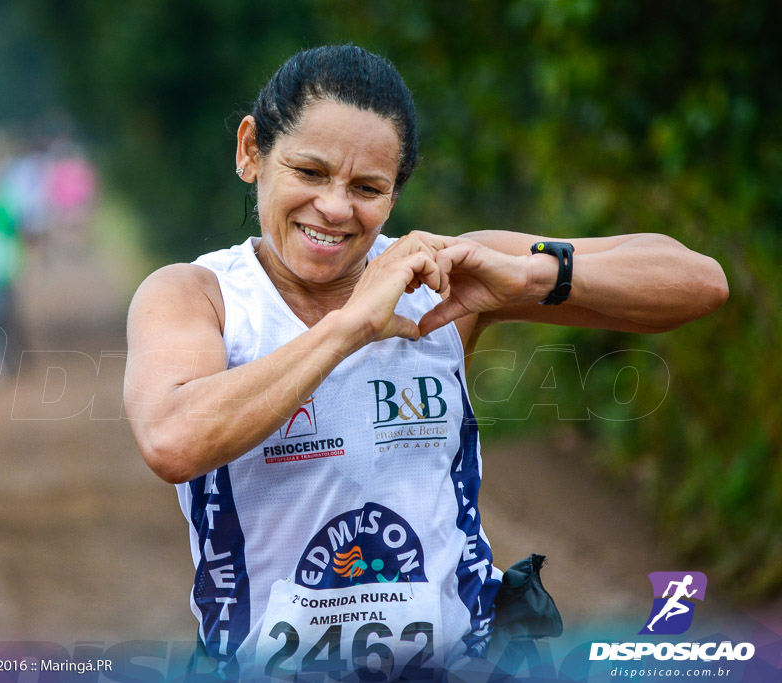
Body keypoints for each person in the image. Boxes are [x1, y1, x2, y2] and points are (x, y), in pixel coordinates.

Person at [124, 45, 728, 680]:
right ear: (251, 152)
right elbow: (173, 439)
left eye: (367, 188)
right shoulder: (199, 296)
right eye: (308, 172)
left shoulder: (438, 278)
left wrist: (528, 274)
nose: (334, 208)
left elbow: (698, 282)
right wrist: (348, 328)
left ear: (395, 193)